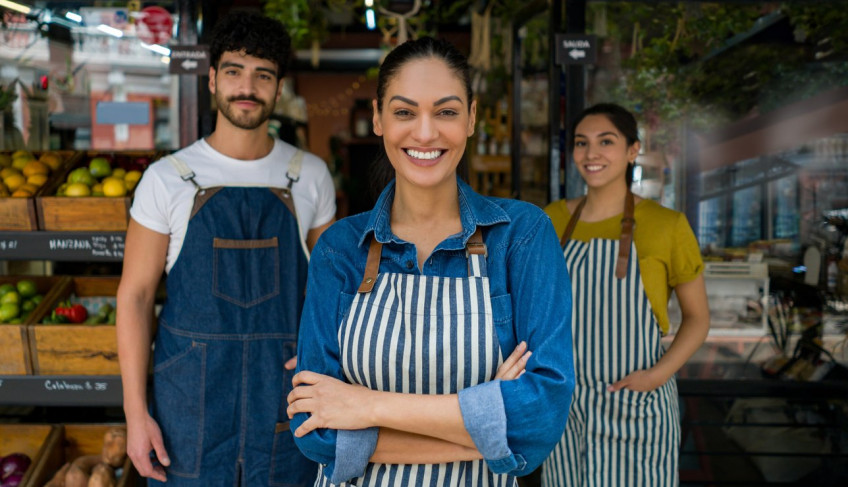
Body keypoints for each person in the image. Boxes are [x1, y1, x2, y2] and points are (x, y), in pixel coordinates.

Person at [285, 36, 575, 487]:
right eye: (404, 112)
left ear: (472, 118)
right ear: (378, 119)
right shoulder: (340, 248)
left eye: (446, 111)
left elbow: (539, 418)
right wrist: (484, 432)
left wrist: (367, 406)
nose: (425, 133)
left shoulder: (522, 236)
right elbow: (317, 432)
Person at [116, 11, 336, 486]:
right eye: (234, 71)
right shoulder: (167, 179)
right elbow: (134, 298)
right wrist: (136, 415)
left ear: (279, 88)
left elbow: (330, 293)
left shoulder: (310, 175)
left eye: (263, 75)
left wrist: (325, 356)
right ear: (213, 79)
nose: (247, 87)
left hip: (282, 393)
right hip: (189, 402)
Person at [542, 103, 710, 487]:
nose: (591, 154)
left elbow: (698, 319)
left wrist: (655, 377)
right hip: (567, 408)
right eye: (582, 144)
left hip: (637, 406)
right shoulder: (551, 219)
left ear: (633, 150)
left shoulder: (667, 225)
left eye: (606, 141)